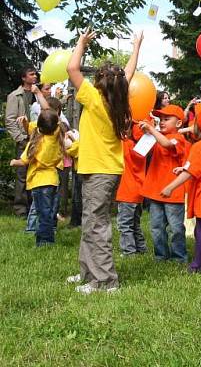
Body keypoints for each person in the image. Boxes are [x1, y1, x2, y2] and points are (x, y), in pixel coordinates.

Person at [65, 29, 143, 294]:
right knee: (91, 222)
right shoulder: (117, 101)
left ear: (99, 83)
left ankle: (106, 281)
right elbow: (128, 74)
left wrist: (82, 43)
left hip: (99, 172)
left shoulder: (95, 99)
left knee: (96, 225)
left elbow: (72, 67)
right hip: (100, 170)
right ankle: (88, 272)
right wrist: (136, 47)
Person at [161, 104, 201, 275]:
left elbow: (191, 172)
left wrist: (170, 186)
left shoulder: (200, 146)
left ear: (199, 127)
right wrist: (184, 169)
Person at [140, 104, 191, 262]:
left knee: (175, 227)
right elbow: (142, 150)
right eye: (160, 119)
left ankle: (179, 256)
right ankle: (160, 256)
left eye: (166, 119)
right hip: (155, 191)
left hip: (173, 192)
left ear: (178, 124)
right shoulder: (157, 137)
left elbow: (168, 145)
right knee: (156, 227)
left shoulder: (178, 138)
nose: (162, 122)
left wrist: (152, 130)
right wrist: (147, 132)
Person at [10, 109, 66, 246]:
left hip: (39, 182)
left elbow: (24, 161)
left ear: (39, 127)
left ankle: (45, 242)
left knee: (43, 214)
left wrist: (14, 162)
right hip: (52, 180)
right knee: (48, 212)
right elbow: (52, 123)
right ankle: (46, 238)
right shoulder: (56, 136)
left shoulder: (36, 144)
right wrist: (26, 123)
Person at [6, 65, 38, 216]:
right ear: (24, 78)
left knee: (36, 173)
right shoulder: (15, 96)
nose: (35, 77)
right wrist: (21, 138)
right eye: (31, 75)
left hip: (38, 139)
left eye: (35, 74)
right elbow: (10, 120)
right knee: (22, 175)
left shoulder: (36, 94)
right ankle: (20, 210)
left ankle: (34, 207)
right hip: (24, 140)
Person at [115, 123, 148, 255]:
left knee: (125, 224)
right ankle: (141, 248)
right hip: (138, 192)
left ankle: (129, 251)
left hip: (126, 192)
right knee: (135, 223)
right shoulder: (141, 150)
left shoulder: (126, 144)